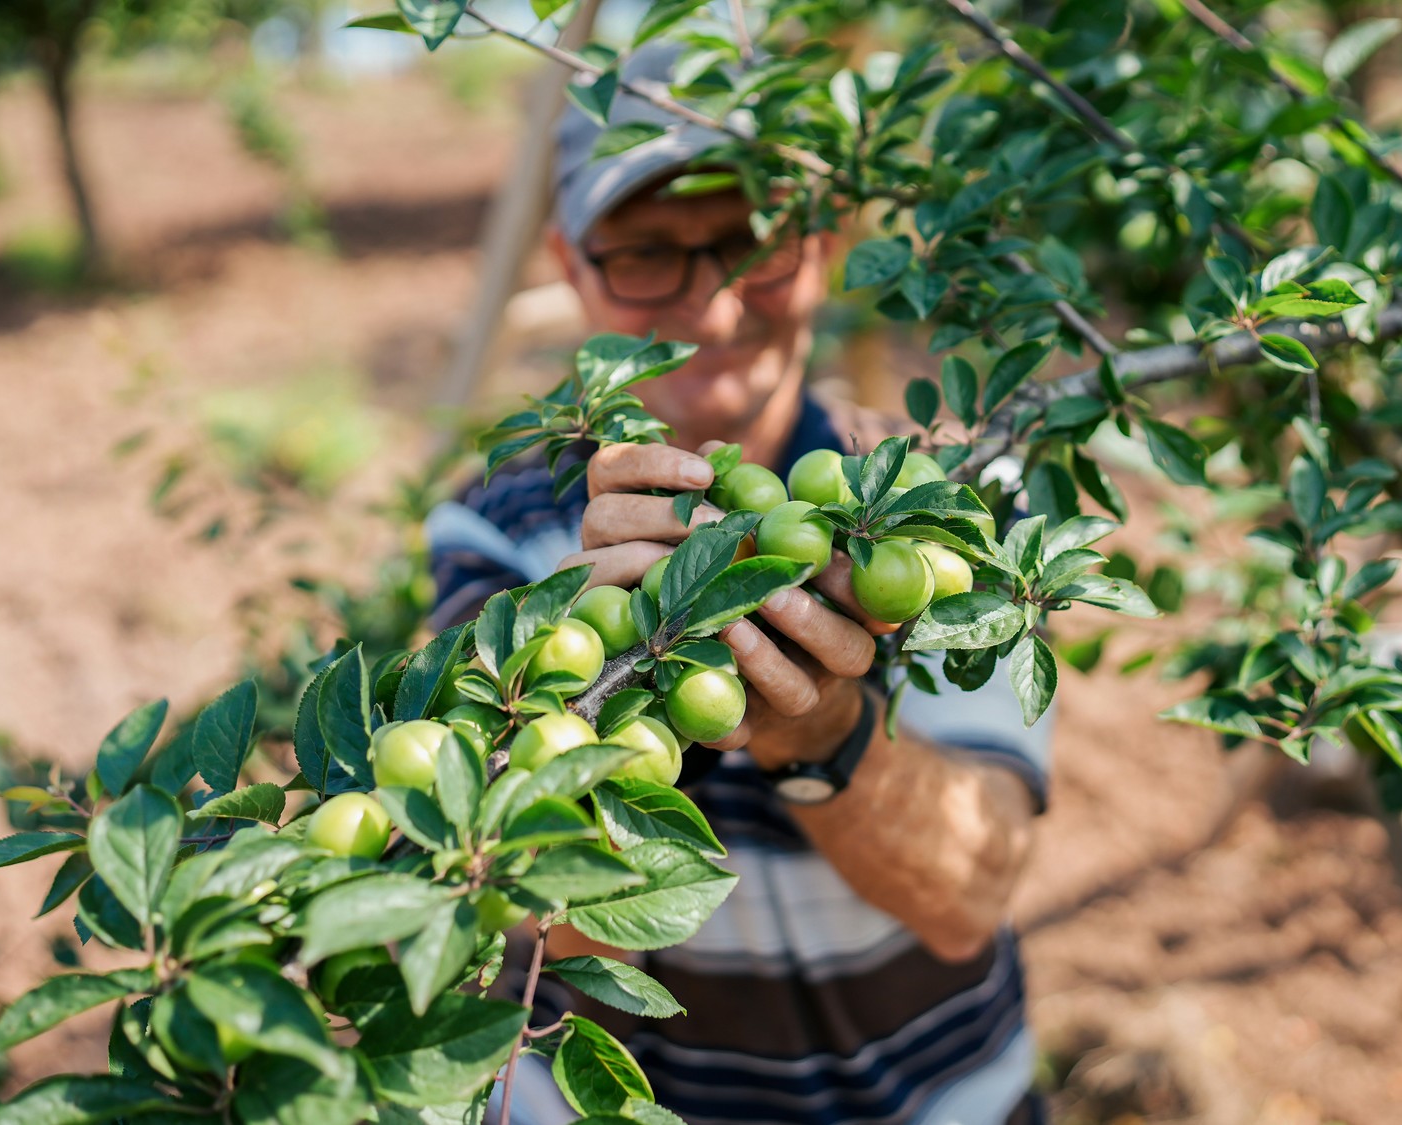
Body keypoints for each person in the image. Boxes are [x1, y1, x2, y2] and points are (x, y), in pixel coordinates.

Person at [425, 43, 1054, 1125]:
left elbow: (971, 893)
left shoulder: (942, 507)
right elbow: (526, 916)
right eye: (645, 255)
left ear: (819, 244)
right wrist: (589, 676)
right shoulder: (503, 531)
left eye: (750, 241)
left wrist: (823, 736)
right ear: (569, 261)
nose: (713, 310)